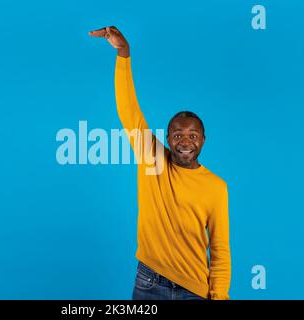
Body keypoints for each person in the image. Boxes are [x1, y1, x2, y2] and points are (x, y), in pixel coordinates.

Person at [89, 26, 231, 300]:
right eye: (177, 135)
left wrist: (220, 295)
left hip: (195, 290)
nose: (185, 141)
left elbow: (220, 249)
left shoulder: (216, 187)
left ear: (203, 139)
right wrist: (123, 53)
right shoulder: (152, 158)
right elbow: (128, 109)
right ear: (167, 139)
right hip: (150, 284)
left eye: (192, 135)